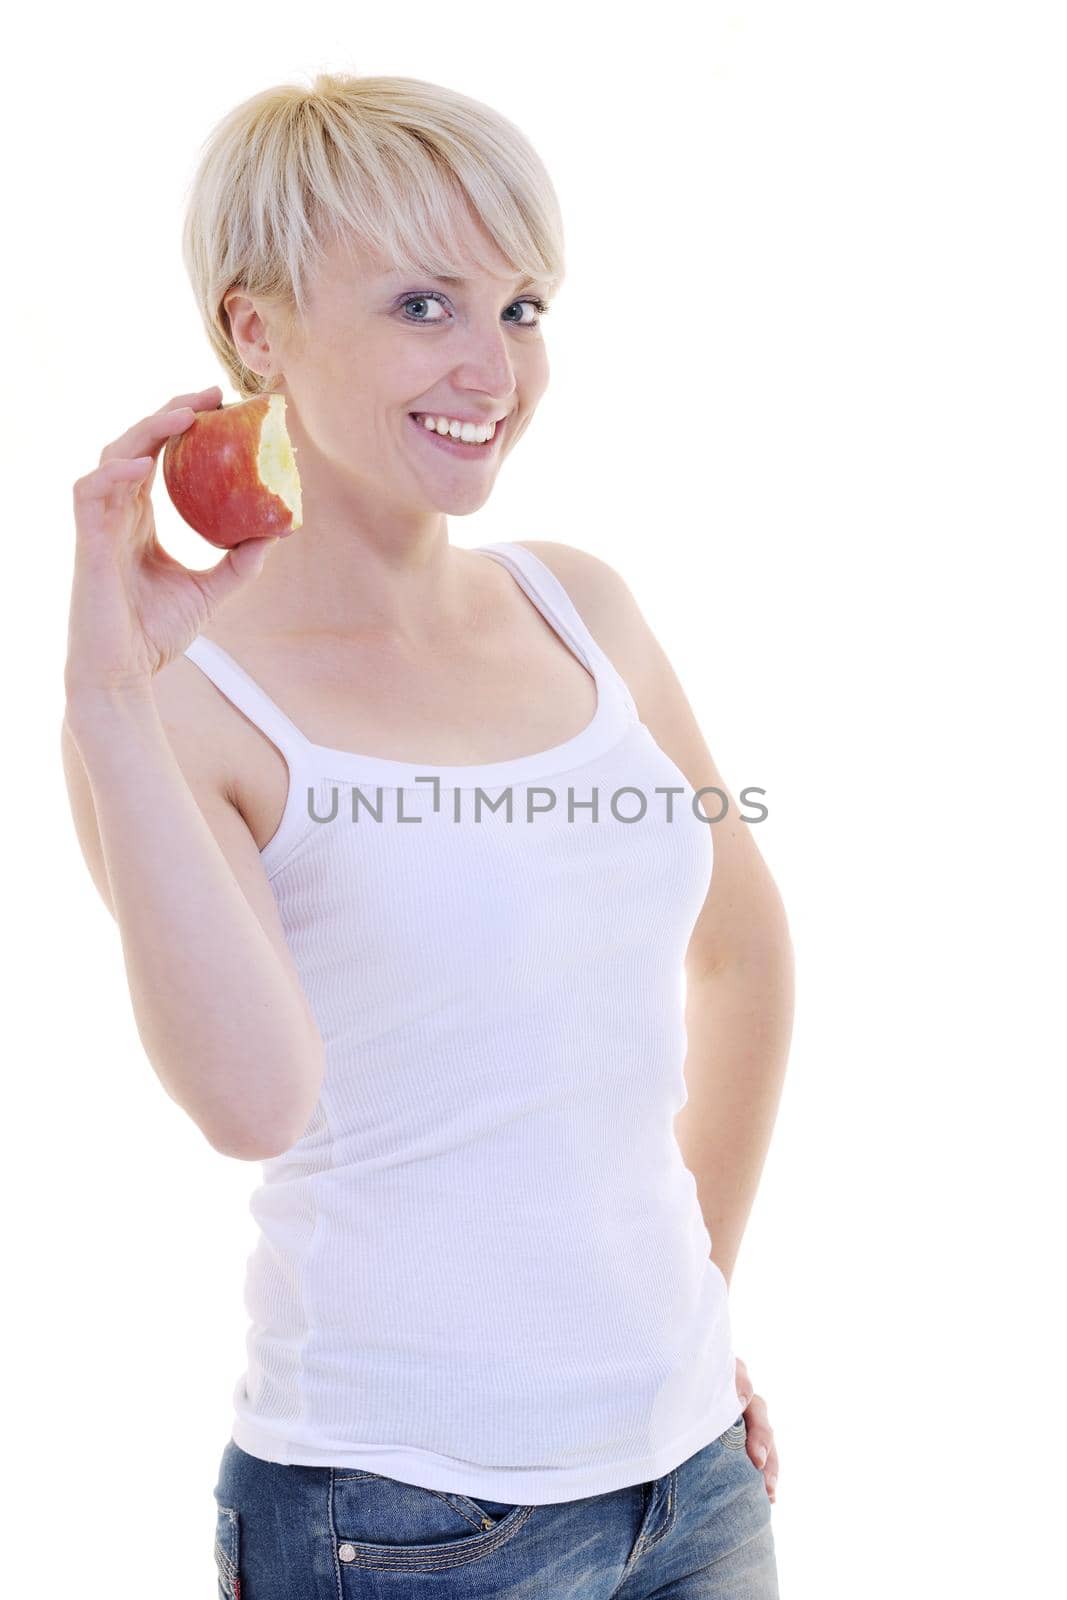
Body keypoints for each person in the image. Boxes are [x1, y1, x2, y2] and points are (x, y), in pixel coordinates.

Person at [61, 72, 792, 1599]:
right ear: (253, 331)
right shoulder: (178, 715)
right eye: (421, 304)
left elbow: (742, 947)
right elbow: (254, 1102)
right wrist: (108, 693)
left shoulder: (582, 607)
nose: (493, 367)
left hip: (695, 1483)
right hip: (396, 1523)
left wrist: (697, 1314)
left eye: (521, 308)